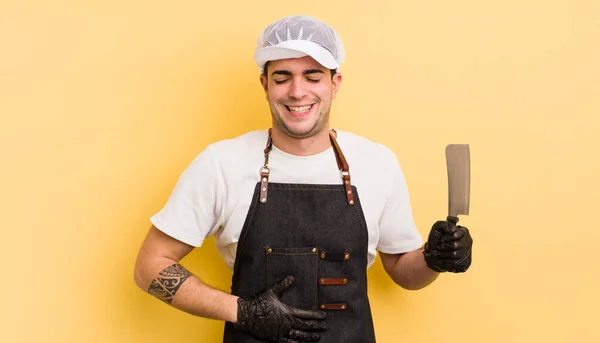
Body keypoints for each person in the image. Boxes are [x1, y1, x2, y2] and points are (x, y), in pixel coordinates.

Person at [133, 14, 473, 343]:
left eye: (312, 76)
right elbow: (149, 266)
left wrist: (433, 258)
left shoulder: (377, 162)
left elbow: (403, 270)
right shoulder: (221, 163)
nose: (297, 92)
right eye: (282, 77)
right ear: (265, 85)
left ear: (334, 83)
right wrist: (243, 311)